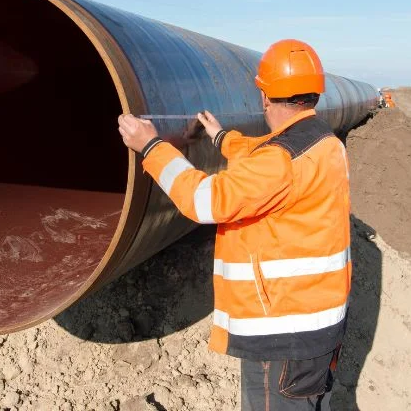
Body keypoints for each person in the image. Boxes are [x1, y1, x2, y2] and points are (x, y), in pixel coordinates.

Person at [117, 39, 351, 411]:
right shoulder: (324, 143)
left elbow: (204, 200)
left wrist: (151, 147)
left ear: (264, 97)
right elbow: (271, 161)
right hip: (317, 325)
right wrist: (222, 138)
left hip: (283, 334)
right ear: (314, 94)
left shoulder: (279, 163)